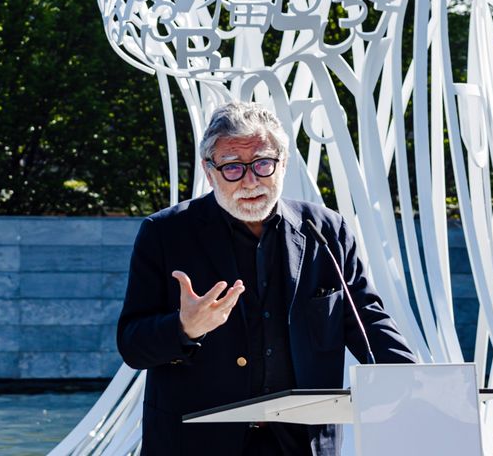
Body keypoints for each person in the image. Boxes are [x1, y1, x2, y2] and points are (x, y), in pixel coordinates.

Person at [117, 102, 416, 456]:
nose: (250, 180)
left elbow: (366, 319)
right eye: (232, 168)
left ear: (283, 163)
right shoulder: (164, 233)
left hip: (302, 444)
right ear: (208, 171)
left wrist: (413, 381)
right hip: (197, 443)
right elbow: (132, 345)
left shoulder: (326, 230)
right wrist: (186, 327)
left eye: (262, 164)